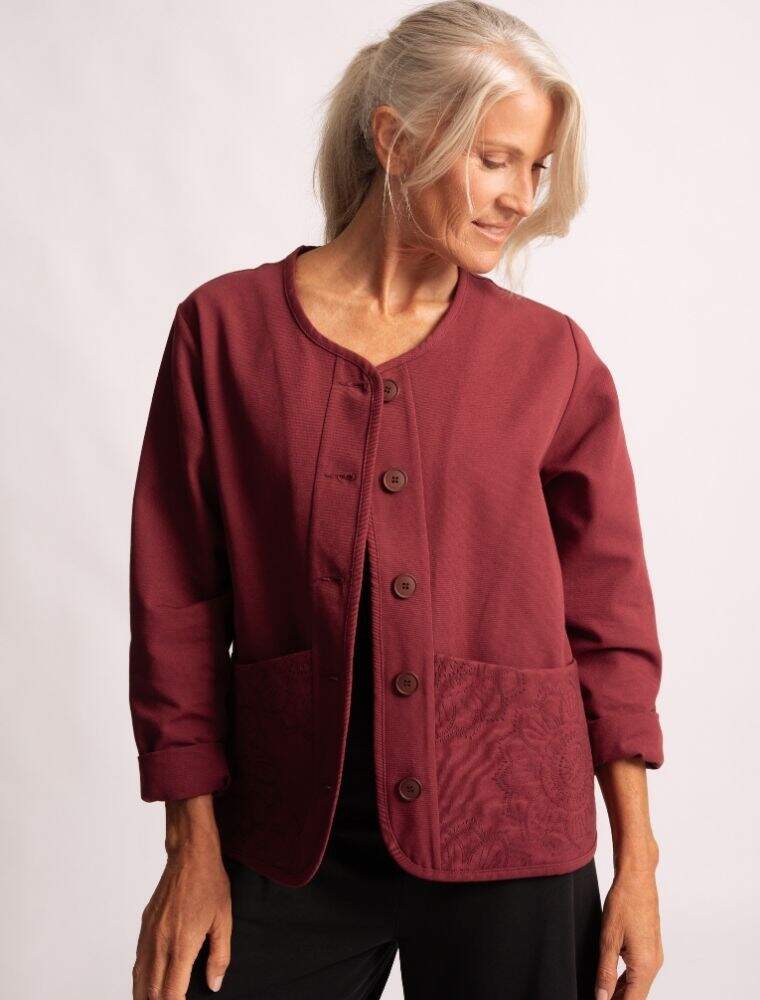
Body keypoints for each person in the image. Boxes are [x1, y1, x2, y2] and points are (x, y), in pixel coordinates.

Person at [129, 3, 665, 998]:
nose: (520, 198)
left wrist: (638, 860)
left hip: (511, 827)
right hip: (283, 837)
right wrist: (189, 846)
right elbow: (177, 606)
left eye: (536, 168)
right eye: (495, 160)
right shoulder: (224, 333)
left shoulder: (550, 357)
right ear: (397, 139)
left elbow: (609, 616)